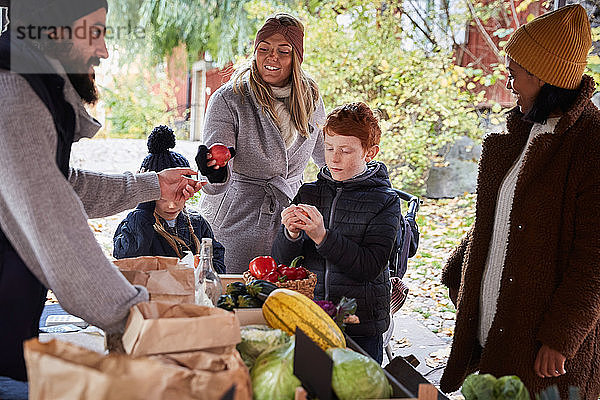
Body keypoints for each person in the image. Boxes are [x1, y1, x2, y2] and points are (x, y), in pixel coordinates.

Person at [0, 0, 203, 383]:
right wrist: (139, 318)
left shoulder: (32, 81)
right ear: (54, 29)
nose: (104, 50)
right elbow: (54, 226)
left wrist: (152, 184)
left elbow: (65, 183)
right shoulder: (13, 92)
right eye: (93, 32)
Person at [440, 5, 600, 398]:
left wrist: (562, 336)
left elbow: (594, 257)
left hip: (543, 342)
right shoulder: (524, 129)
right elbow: (498, 216)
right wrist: (460, 268)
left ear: (543, 77)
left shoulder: (590, 145)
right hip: (495, 326)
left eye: (515, 74)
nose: (510, 84)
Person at [195, 13, 326, 273]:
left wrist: (360, 182)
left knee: (283, 301)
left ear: (297, 58)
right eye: (263, 49)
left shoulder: (310, 97)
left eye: (283, 51)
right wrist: (214, 166)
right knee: (230, 297)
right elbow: (215, 162)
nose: (272, 57)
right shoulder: (231, 98)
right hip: (235, 220)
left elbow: (327, 157)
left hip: (289, 222)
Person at [272, 102, 401, 364]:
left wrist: (322, 236)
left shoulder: (385, 201)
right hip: (311, 318)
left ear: (370, 152)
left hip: (361, 326)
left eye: (345, 150)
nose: (334, 158)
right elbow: (282, 263)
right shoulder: (309, 193)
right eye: (329, 148)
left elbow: (369, 266)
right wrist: (291, 234)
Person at [113, 125, 226, 273]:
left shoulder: (197, 223)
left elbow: (217, 262)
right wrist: (144, 199)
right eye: (162, 197)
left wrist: (202, 268)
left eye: (179, 195)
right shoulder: (134, 223)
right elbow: (128, 260)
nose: (172, 205)